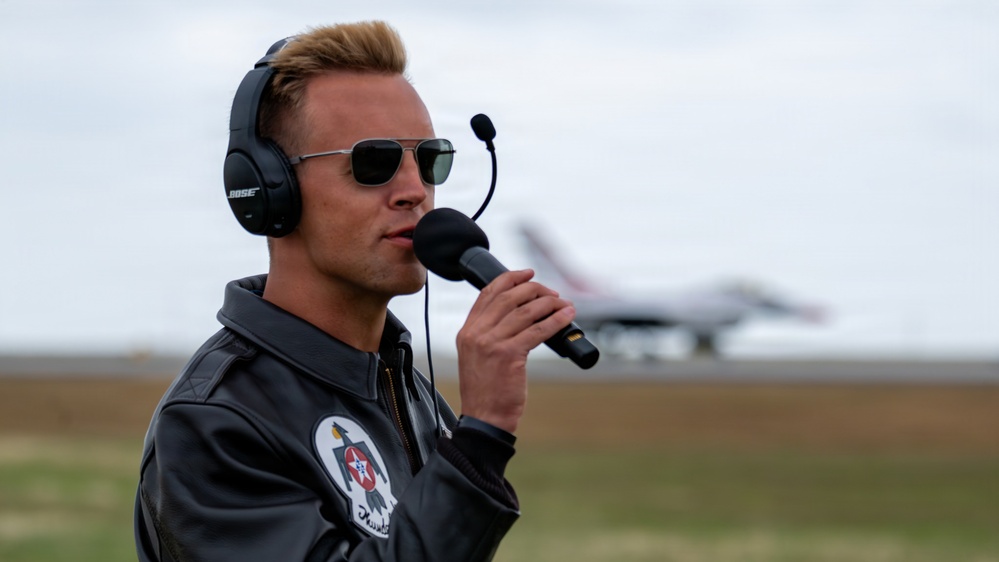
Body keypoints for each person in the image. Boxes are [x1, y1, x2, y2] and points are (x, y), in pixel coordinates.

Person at [133, 21, 576, 562]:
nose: (416, 191)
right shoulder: (213, 424)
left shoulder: (403, 384)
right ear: (273, 189)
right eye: (375, 162)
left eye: (430, 159)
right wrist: (479, 438)